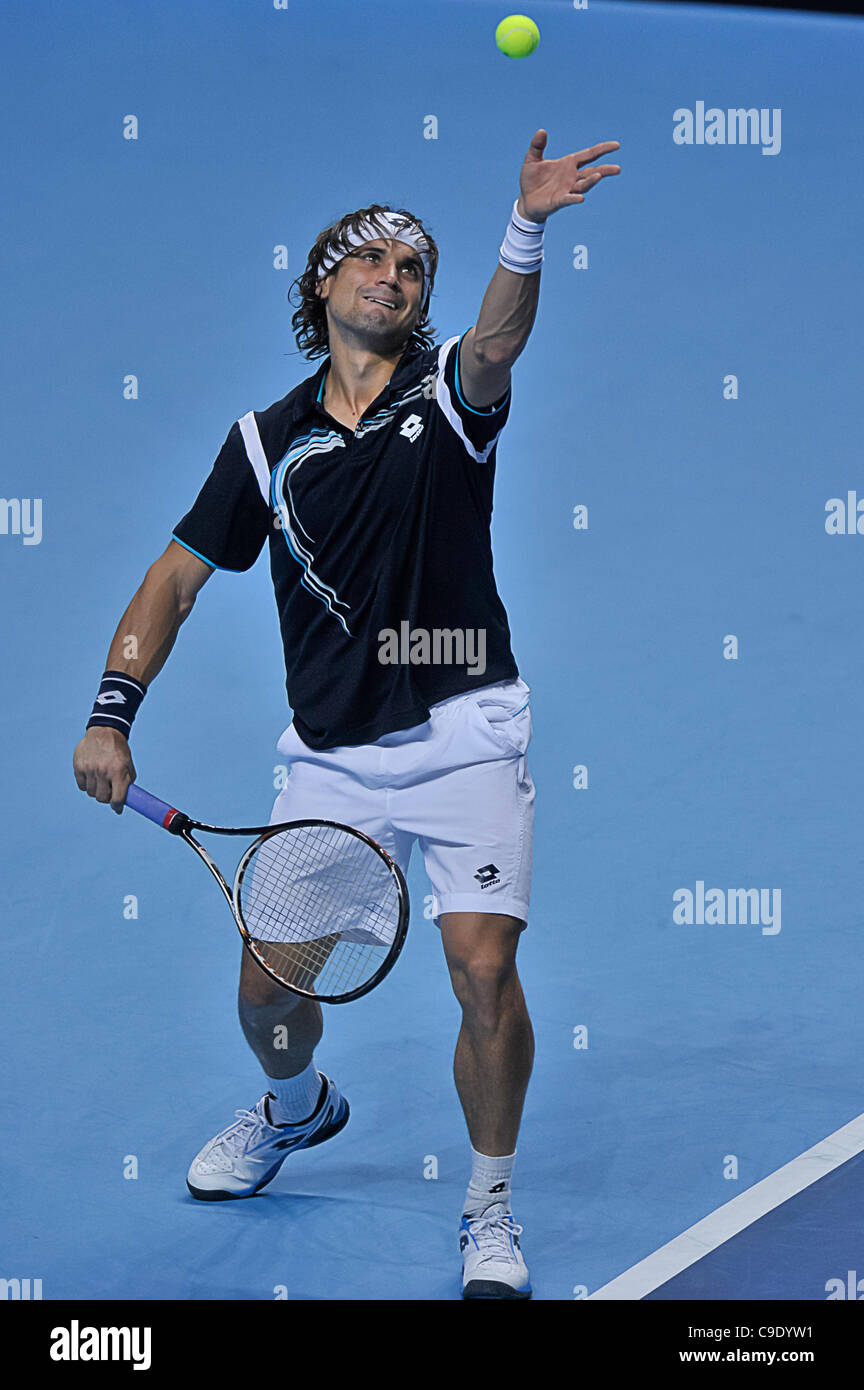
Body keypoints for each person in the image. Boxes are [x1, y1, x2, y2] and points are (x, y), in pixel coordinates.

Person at [74, 129, 621, 1299]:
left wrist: (525, 225)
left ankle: (488, 1204)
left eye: (414, 265)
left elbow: (501, 338)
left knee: (483, 971)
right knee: (268, 994)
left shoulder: (451, 397)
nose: (394, 274)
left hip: (468, 728)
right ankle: (295, 1105)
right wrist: (112, 711)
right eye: (368, 258)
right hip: (330, 758)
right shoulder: (264, 445)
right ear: (322, 283)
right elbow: (175, 578)